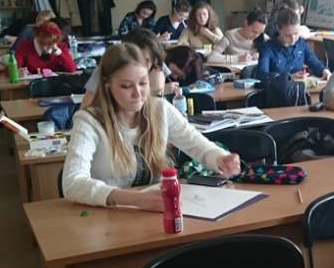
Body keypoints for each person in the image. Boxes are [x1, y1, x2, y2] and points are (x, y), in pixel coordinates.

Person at [63, 43, 241, 209]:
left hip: (156, 212)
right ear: (107, 85)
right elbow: (72, 182)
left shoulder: (160, 108)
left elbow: (198, 145)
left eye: (143, 83)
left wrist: (221, 158)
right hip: (109, 218)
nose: (138, 93)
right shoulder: (88, 121)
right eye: (126, 86)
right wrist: (135, 199)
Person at [81, 28, 176, 108]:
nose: (140, 67)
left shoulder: (158, 67)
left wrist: (161, 90)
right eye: (136, 59)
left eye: (146, 61)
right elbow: (85, 107)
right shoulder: (107, 68)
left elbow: (158, 107)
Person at [256, 8, 331, 81]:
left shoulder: (301, 44)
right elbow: (262, 75)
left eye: (296, 34)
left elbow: (315, 63)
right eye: (288, 35)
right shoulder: (267, 48)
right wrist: (289, 77)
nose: (293, 39)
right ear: (278, 29)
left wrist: (324, 71)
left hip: (298, 86)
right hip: (276, 88)